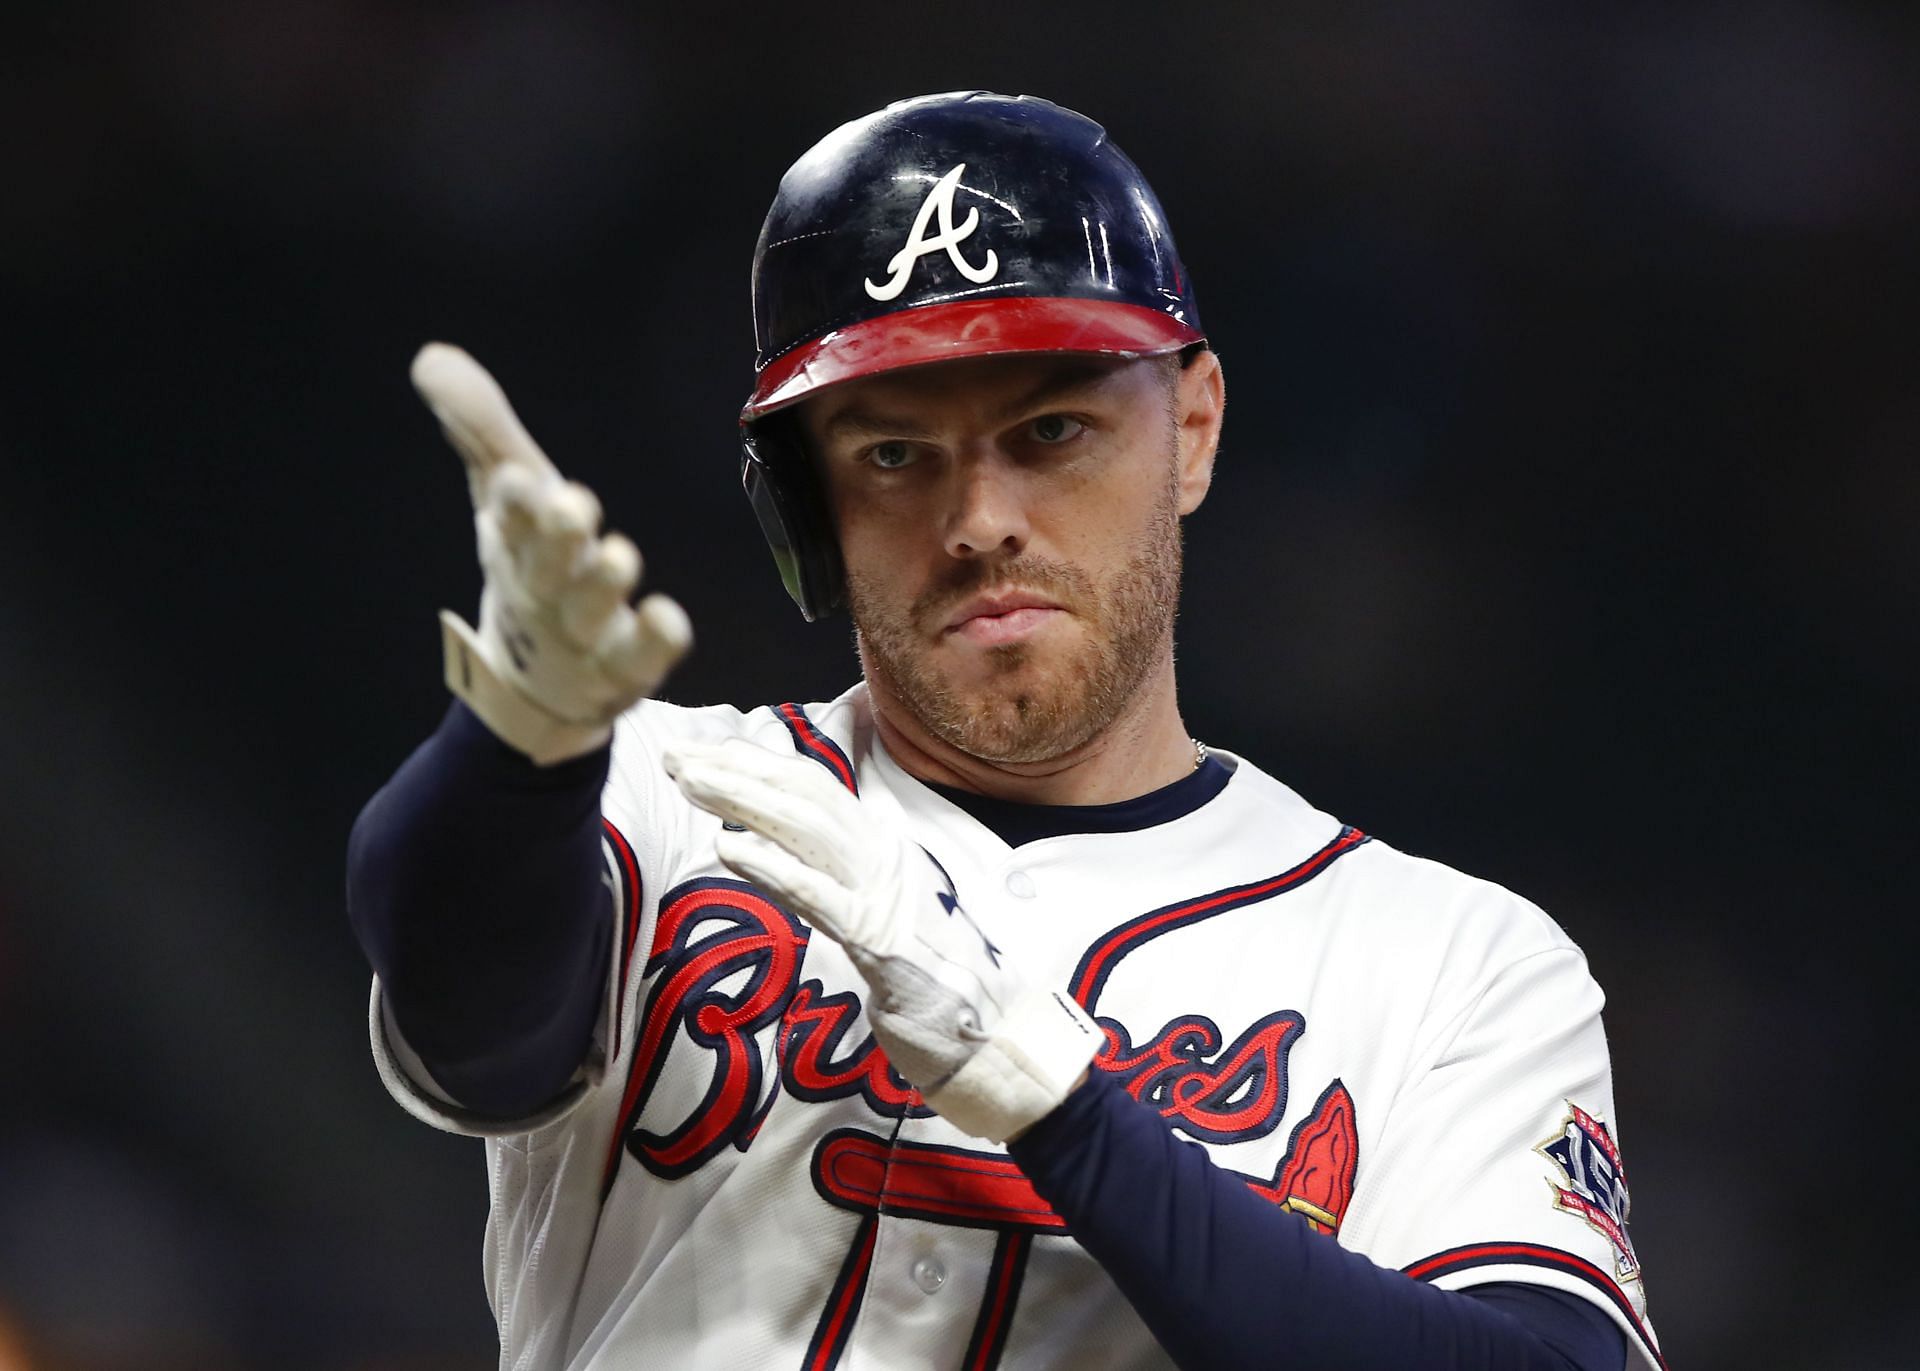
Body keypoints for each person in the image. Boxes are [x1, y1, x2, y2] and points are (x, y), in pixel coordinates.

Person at [348, 92, 1662, 1370]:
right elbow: (464, 1013)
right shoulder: (666, 797)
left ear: (1192, 430)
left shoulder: (1450, 967)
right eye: (893, 453)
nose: (980, 516)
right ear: (806, 512)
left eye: (1050, 430)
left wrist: (1053, 1101)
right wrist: (516, 739)